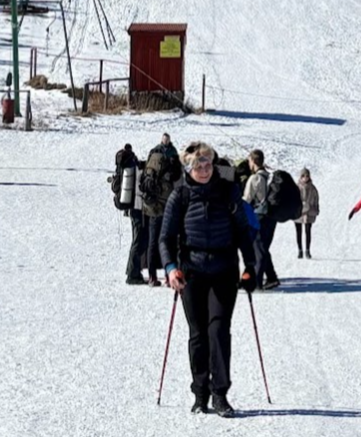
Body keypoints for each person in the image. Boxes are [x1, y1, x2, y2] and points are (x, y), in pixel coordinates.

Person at [160, 143, 261, 417]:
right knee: (198, 333)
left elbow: (242, 231)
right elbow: (165, 238)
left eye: (208, 165)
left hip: (224, 269)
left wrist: (250, 266)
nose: (204, 170)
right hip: (190, 272)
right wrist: (170, 268)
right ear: (188, 168)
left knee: (218, 330)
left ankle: (220, 394)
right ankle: (200, 392)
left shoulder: (228, 192)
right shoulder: (179, 195)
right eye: (197, 166)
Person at [139, 133, 182, 286]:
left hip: (151, 204)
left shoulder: (153, 153)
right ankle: (168, 275)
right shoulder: (172, 154)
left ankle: (151, 276)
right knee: (167, 240)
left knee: (152, 241)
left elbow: (144, 176)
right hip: (166, 203)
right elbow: (177, 176)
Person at [240, 149, 281, 289]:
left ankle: (257, 283)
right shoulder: (269, 176)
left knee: (258, 248)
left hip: (259, 216)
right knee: (263, 247)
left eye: (250, 161)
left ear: (253, 161)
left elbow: (246, 200)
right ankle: (271, 277)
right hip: (272, 216)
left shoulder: (254, 178)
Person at [112, 142, 147, 284]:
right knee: (139, 241)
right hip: (136, 207)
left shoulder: (122, 168)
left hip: (130, 207)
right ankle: (133, 275)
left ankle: (131, 270)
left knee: (136, 239)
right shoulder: (132, 166)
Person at [294, 168, 320, 258]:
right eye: (303, 176)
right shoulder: (296, 187)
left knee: (308, 231)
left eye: (307, 176)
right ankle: (300, 250)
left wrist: (315, 209)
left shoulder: (313, 188)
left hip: (309, 212)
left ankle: (307, 251)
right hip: (298, 212)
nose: (305, 178)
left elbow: (316, 200)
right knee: (298, 231)